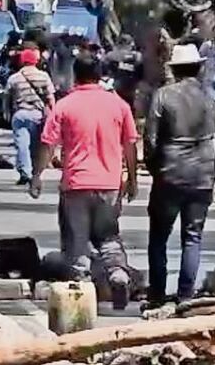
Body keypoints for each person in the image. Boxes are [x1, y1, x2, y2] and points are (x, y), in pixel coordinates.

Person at [31, 53, 137, 309]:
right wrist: (131, 179)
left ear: (75, 75)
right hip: (109, 185)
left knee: (77, 242)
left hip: (76, 185)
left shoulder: (65, 105)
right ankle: (118, 274)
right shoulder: (118, 105)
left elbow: (48, 143)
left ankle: (81, 294)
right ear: (99, 75)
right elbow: (131, 144)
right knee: (109, 236)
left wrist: (37, 175)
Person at [144, 44, 215, 306]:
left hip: (169, 174)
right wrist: (212, 171)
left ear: (174, 69)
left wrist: (156, 170)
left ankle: (158, 295)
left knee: (158, 238)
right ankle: (185, 297)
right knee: (192, 237)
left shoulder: (163, 96)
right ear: (200, 67)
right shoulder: (213, 97)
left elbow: (150, 141)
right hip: (201, 176)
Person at [7, 46, 56, 184]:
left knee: (22, 144)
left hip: (20, 113)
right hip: (38, 115)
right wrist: (54, 114)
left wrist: (7, 113)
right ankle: (36, 172)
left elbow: (7, 98)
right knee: (36, 145)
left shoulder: (14, 78)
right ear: (36, 61)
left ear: (22, 61)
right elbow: (50, 97)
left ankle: (25, 172)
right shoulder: (44, 76)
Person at [103, 34, 142, 111]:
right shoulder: (137, 56)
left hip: (115, 90)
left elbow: (104, 71)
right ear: (130, 44)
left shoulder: (111, 55)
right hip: (131, 90)